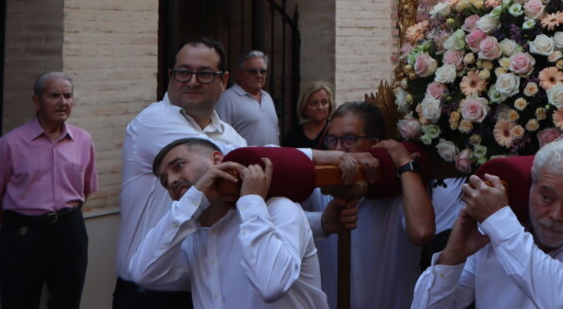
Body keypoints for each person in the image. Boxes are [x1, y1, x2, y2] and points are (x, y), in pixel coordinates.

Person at [116, 38, 372, 308]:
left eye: (204, 73)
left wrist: (320, 223)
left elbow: (252, 193)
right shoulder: (154, 119)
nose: (191, 81)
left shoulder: (227, 132)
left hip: (200, 276)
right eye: (183, 72)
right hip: (153, 284)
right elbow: (247, 161)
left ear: (223, 81)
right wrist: (322, 155)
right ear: (170, 76)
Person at [412, 136, 563, 309]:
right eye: (547, 198)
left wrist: (499, 221)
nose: (555, 215)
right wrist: (453, 256)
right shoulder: (504, 224)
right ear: (530, 189)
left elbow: (561, 300)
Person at [131, 138, 328, 308]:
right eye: (165, 181)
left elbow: (271, 285)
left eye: (179, 166)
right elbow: (143, 272)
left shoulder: (280, 209)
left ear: (217, 160)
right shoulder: (190, 238)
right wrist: (190, 203)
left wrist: (251, 201)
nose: (172, 180)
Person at [0, 72, 98, 309]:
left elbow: (86, 188)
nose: (63, 102)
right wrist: (16, 221)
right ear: (37, 101)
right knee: (18, 300)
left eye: (68, 96)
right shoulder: (9, 144)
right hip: (24, 232)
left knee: (67, 300)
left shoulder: (83, 140)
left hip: (69, 230)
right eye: (54, 96)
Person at [311, 101, 434, 309]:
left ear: (376, 144)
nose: (338, 151)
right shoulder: (319, 184)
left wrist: (405, 164)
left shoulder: (401, 188)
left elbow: (422, 232)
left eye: (349, 140)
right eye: (332, 140)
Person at [216, 51, 280, 146]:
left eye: (263, 71)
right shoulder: (226, 100)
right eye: (253, 71)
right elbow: (219, 138)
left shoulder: (267, 97)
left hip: (272, 159)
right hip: (245, 160)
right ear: (239, 74)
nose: (259, 75)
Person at [282, 82, 334, 149]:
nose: (320, 107)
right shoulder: (293, 136)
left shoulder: (336, 133)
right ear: (304, 107)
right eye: (314, 103)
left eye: (324, 102)